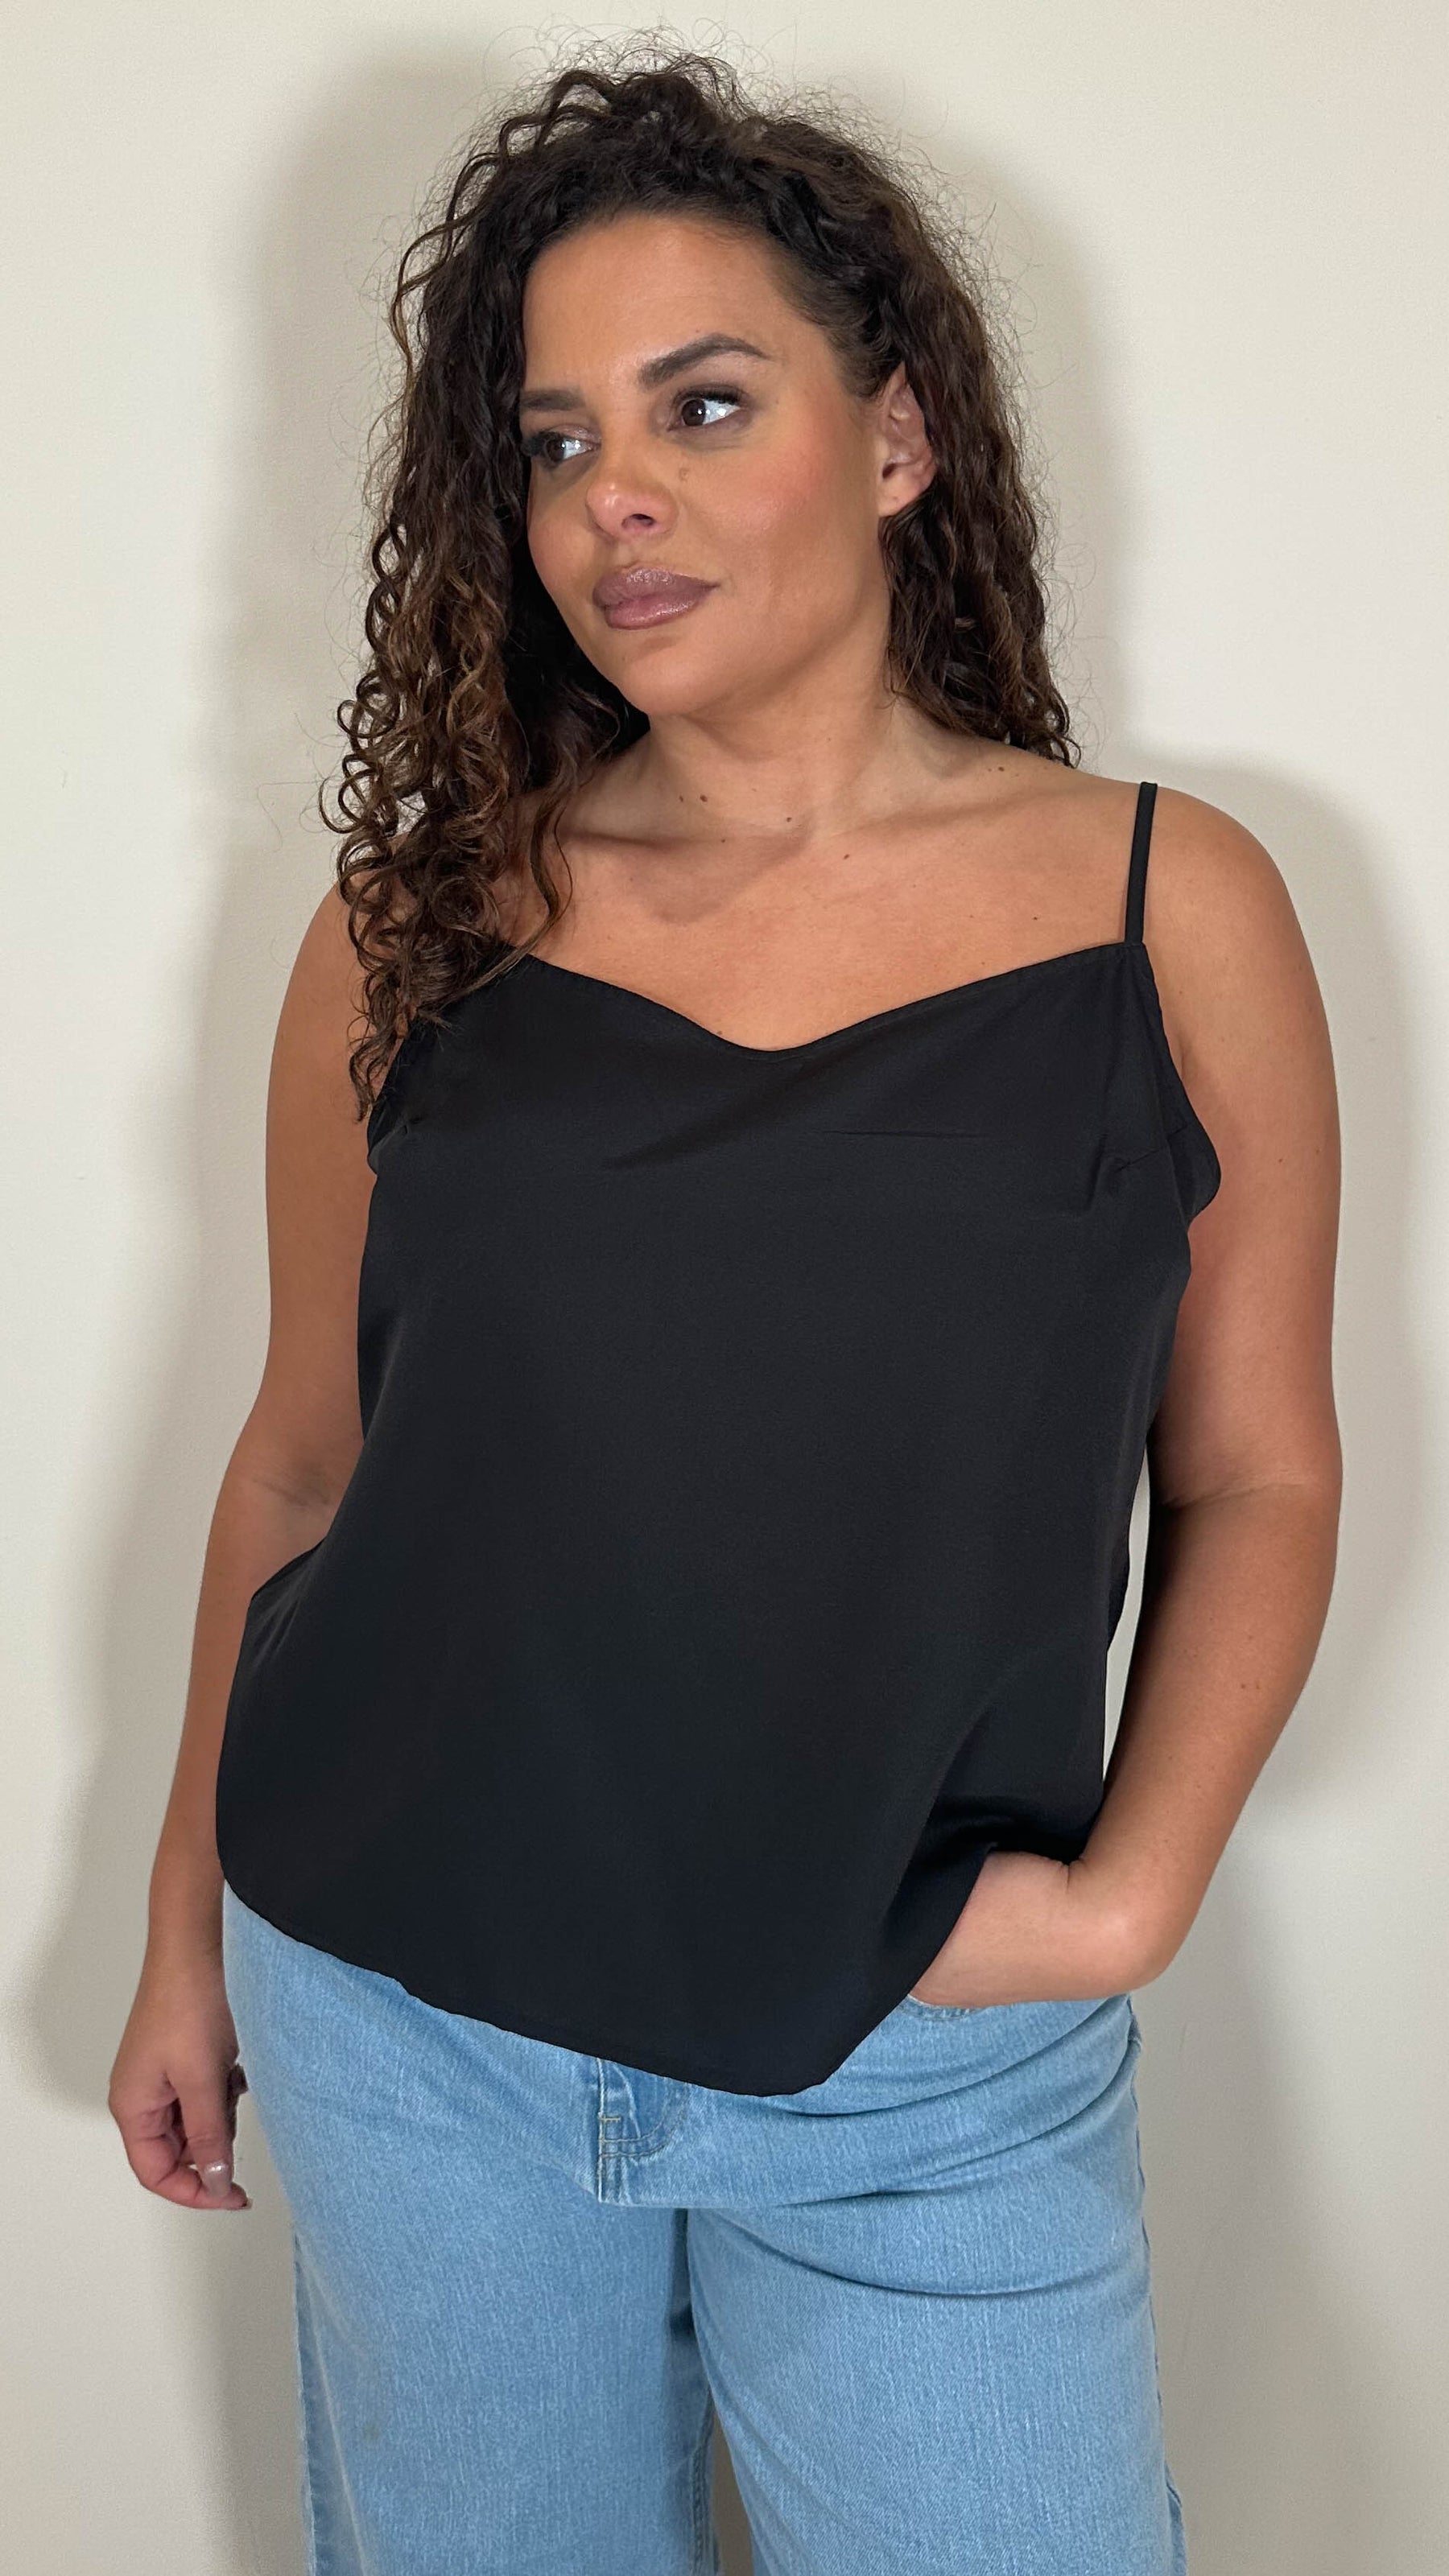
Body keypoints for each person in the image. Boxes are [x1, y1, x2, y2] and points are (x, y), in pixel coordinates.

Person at [108, 48, 1342, 2575]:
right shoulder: (418, 927)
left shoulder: (1167, 906)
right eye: (556, 442)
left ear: (896, 438)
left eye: (700, 405)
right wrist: (178, 1937)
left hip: (919, 2053)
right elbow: (308, 1456)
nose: (615, 499)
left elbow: (1257, 1465)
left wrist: (1130, 1897)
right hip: (412, 2013)